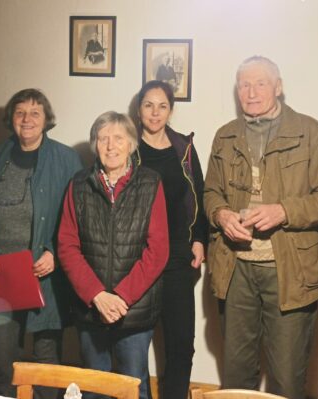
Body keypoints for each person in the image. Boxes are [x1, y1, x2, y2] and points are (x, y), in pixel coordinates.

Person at [203, 55, 318, 399]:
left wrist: (284, 211)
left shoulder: (310, 132)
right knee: (236, 376)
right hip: (235, 269)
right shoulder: (225, 136)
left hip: (292, 273)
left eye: (261, 83)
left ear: (279, 87)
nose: (251, 93)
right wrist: (222, 215)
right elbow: (210, 192)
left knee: (286, 378)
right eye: (244, 85)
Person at [0, 88, 82, 397]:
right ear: (11, 118)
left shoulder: (65, 159)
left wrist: (55, 255)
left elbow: (77, 218)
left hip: (43, 274)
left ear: (46, 119)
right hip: (0, 275)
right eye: (20, 112)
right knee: (1, 361)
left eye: (35, 112)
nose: (27, 119)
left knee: (46, 360)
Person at [57, 111, 169, 399]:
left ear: (131, 144)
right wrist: (97, 295)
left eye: (118, 138)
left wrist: (120, 298)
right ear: (94, 145)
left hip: (132, 311)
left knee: (134, 387)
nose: (110, 146)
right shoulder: (78, 184)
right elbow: (67, 246)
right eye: (103, 139)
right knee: (94, 388)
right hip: (90, 309)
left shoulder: (151, 183)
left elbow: (158, 251)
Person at [134, 80, 207, 399]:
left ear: (171, 110)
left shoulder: (184, 149)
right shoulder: (126, 145)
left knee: (180, 344)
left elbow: (200, 198)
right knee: (133, 346)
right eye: (149, 105)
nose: (155, 112)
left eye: (162, 106)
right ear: (139, 109)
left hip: (177, 257)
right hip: (136, 257)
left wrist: (200, 240)